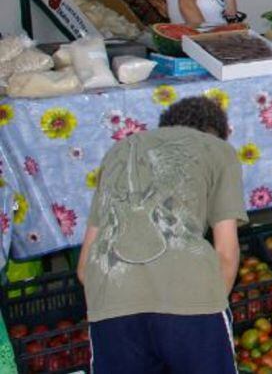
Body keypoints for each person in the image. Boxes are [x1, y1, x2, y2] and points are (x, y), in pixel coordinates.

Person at [77, 96, 247, 373]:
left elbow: (85, 267)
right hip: (193, 301)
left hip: (111, 300)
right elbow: (227, 254)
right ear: (216, 133)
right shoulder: (218, 151)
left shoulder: (119, 152)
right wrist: (204, 307)